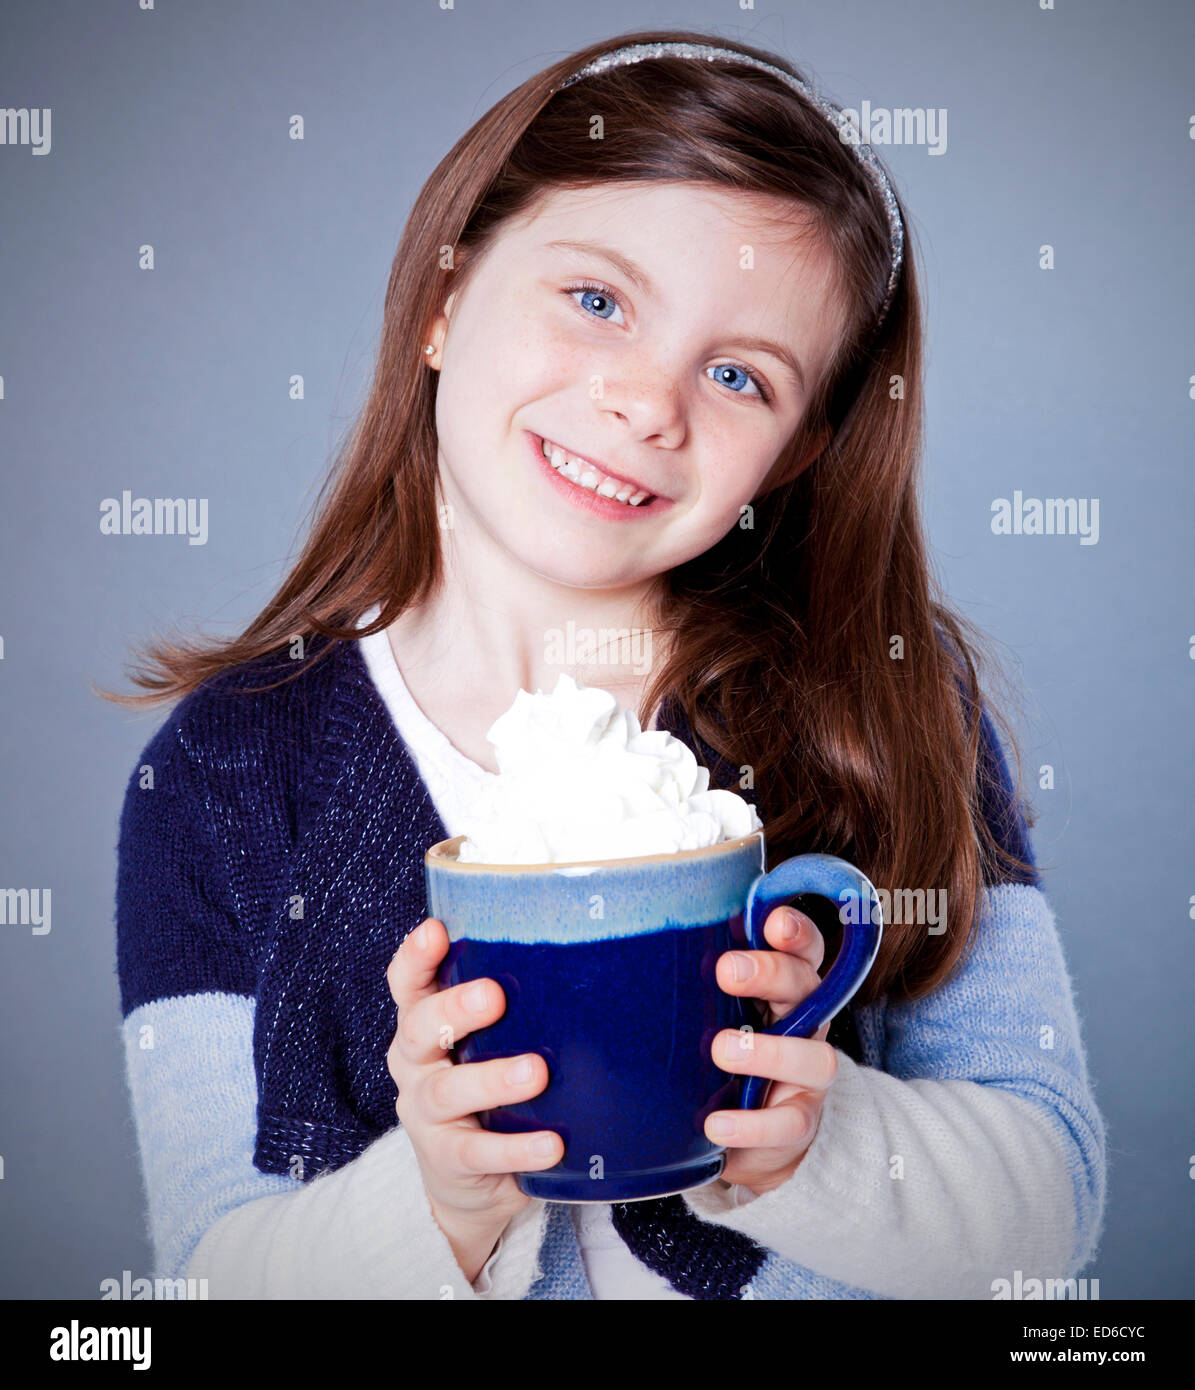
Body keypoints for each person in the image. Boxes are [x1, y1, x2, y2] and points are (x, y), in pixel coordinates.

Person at [110, 28, 1106, 1299]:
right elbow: (210, 1279)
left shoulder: (883, 702)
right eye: (597, 300)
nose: (648, 402)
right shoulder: (225, 771)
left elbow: (1047, 1205)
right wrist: (438, 1202)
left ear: (794, 455)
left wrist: (818, 1142)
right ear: (443, 297)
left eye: (740, 375)